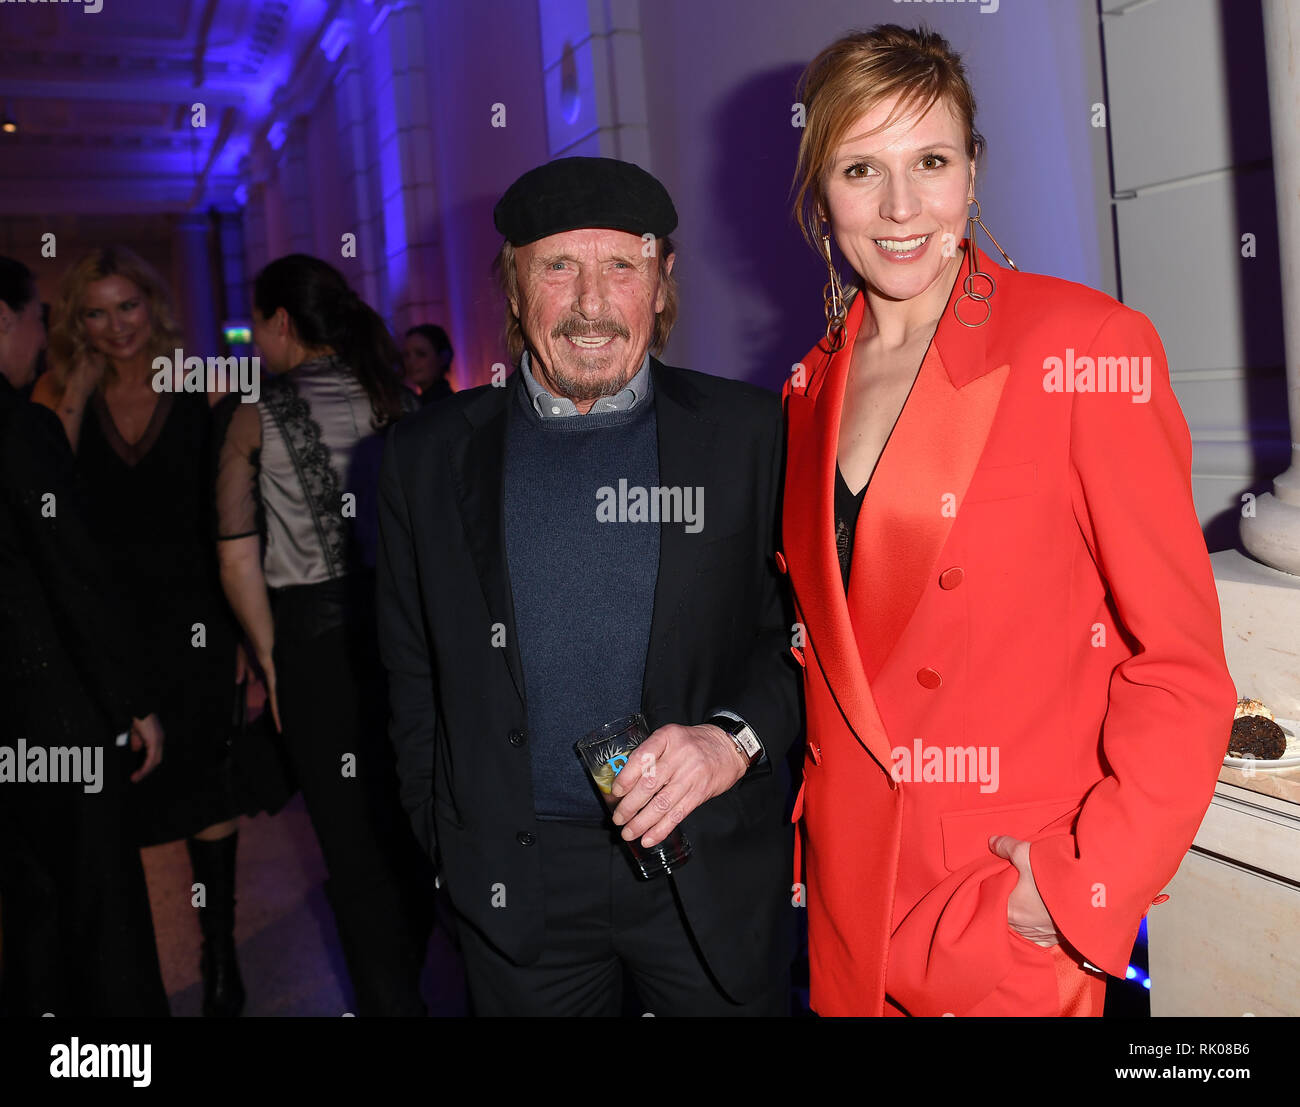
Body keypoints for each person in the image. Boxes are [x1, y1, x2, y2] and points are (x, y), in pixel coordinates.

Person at [781, 24, 1237, 1017]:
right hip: (853, 902)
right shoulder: (807, 387)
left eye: (930, 162)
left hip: (999, 912)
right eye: (862, 168)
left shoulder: (1083, 348)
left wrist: (1077, 885)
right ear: (821, 192)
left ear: (972, 171)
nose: (901, 208)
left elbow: (1183, 670)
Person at [377, 156, 802, 1016]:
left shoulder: (752, 435)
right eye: (558, 266)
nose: (591, 304)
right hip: (518, 887)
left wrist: (732, 741)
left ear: (663, 279)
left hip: (709, 866)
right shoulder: (425, 457)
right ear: (513, 282)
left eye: (622, 265)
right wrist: (445, 849)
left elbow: (807, 643)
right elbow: (410, 675)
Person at [34, 246, 251, 1016]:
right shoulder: (66, 392)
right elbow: (49, 507)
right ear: (77, 322)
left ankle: (220, 954)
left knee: (206, 783)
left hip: (199, 620)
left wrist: (250, 646)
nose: (115, 325)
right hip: (109, 631)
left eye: (127, 306)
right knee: (118, 804)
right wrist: (74, 397)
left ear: (152, 305)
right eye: (95, 311)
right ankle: (132, 975)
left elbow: (235, 521)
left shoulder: (197, 381)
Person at [215, 253, 434, 1015]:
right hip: (401, 633)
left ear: (280, 323)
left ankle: (389, 1001)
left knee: (348, 840)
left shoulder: (256, 412)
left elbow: (236, 549)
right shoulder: (397, 395)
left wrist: (267, 658)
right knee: (408, 818)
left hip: (312, 643)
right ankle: (421, 980)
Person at [0, 255, 168, 1016]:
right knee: (102, 909)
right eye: (40, 316)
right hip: (53, 694)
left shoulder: (192, 387)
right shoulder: (28, 420)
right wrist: (128, 696)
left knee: (33, 902)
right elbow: (69, 568)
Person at [401, 324, 454, 405]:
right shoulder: (413, 403)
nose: (411, 361)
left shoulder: (447, 403)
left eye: (421, 354)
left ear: (443, 357)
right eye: (406, 355)